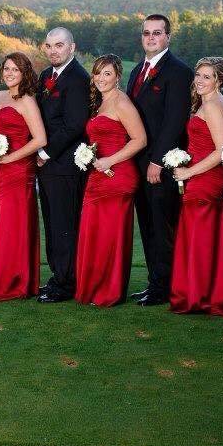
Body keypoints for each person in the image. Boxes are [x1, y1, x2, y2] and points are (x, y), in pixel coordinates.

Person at [126, 14, 193, 306]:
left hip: (160, 165)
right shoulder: (136, 71)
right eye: (146, 33)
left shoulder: (179, 72)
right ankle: (155, 283)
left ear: (168, 37)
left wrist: (157, 161)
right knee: (147, 226)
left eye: (157, 33)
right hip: (137, 164)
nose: (151, 38)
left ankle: (165, 287)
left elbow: (174, 122)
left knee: (163, 227)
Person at [74, 55, 146, 307]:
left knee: (109, 237)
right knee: (94, 234)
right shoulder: (101, 103)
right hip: (97, 177)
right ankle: (94, 288)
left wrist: (109, 161)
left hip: (117, 177)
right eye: (97, 73)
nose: (101, 78)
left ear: (117, 76)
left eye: (107, 73)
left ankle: (109, 292)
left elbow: (139, 140)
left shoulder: (122, 102)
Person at [170, 57, 223, 316]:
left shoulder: (211, 106)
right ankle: (204, 293)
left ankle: (198, 297)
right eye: (198, 74)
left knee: (199, 237)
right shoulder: (218, 102)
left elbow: (221, 150)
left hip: (205, 178)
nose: (199, 80)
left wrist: (188, 170)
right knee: (203, 236)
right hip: (207, 176)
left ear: (218, 80)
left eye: (207, 76)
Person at [0, 53, 47, 301]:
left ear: (25, 73)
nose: (10, 73)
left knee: (15, 223)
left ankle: (15, 280)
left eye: (15, 69)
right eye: (7, 68)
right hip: (0, 168)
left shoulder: (27, 101)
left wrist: (10, 158)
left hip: (19, 170)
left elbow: (40, 139)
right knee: (1, 222)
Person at [35, 28, 90, 303]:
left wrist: (44, 152)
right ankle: (58, 276)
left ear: (72, 47)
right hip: (48, 167)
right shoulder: (47, 76)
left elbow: (75, 125)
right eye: (49, 45)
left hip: (65, 166)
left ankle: (67, 284)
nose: (53, 50)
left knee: (65, 225)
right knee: (52, 224)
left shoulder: (78, 79)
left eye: (59, 45)